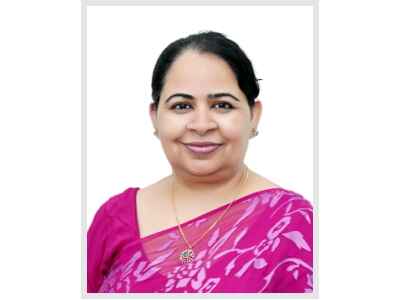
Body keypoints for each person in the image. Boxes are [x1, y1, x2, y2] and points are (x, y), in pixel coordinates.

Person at [87, 31, 313, 293]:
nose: (201, 125)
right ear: (154, 117)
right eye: (182, 106)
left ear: (254, 115)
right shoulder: (114, 218)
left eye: (222, 105)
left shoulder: (293, 223)